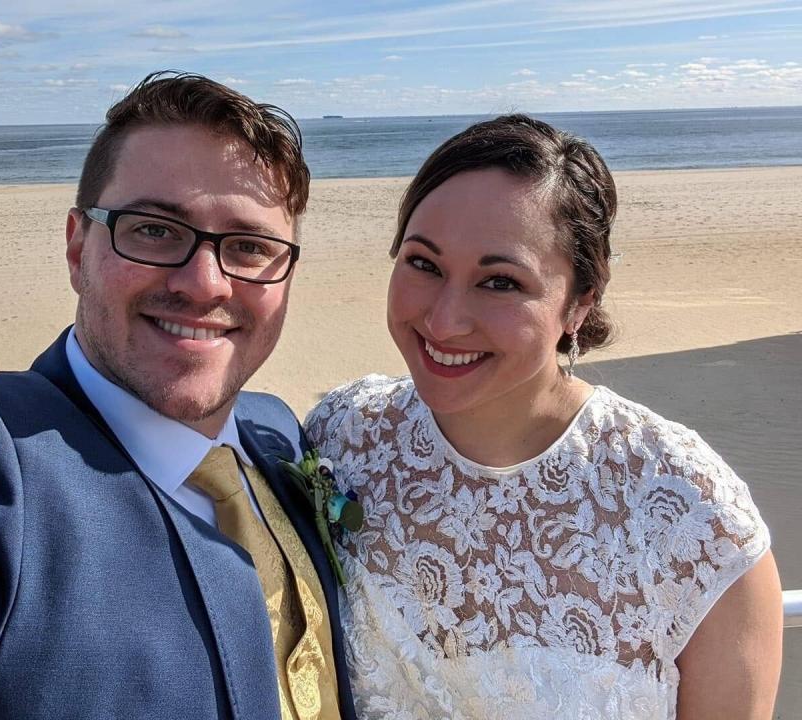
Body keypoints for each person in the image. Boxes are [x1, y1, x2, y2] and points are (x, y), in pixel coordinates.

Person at [0, 72, 355, 720]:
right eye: (154, 230)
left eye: (250, 247)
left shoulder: (278, 431)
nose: (205, 284)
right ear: (78, 245)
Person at [305, 114, 782, 719]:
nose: (445, 320)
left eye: (500, 282)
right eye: (424, 264)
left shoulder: (692, 518)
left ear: (580, 301)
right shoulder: (342, 437)